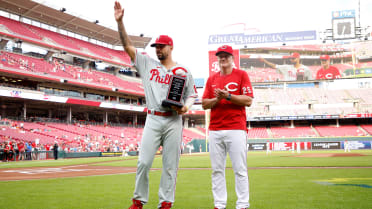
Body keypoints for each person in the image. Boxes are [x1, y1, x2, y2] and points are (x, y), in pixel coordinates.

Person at [114, 2, 197, 209]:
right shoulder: (147, 63)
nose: (158, 49)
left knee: (170, 165)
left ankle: (166, 202)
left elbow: (192, 95)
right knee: (143, 162)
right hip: (153, 117)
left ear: (171, 47)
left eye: (161, 46)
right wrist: (120, 22)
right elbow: (127, 46)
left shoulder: (184, 71)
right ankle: (138, 200)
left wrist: (186, 107)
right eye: (156, 47)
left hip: (173, 120)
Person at [202, 45, 254, 209]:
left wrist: (228, 96)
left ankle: (243, 204)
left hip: (236, 128)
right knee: (217, 170)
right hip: (215, 129)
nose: (223, 58)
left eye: (226, 56)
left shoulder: (241, 74)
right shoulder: (212, 79)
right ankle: (219, 204)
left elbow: (248, 100)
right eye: (220, 56)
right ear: (217, 59)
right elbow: (204, 104)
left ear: (232, 58)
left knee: (240, 169)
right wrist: (218, 99)